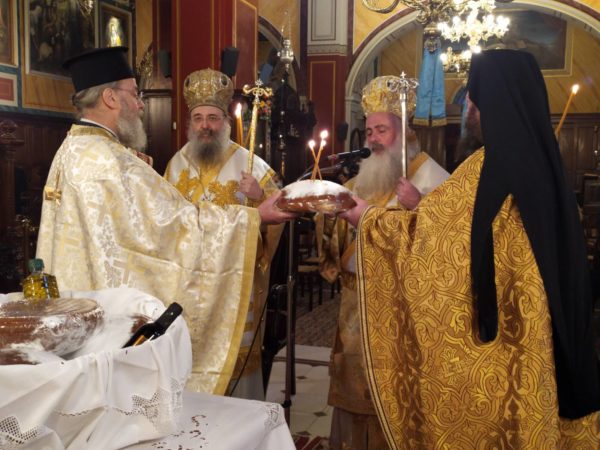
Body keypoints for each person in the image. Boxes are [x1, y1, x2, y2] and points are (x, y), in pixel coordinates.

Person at [341, 49, 600, 447]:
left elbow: (435, 243)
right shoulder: (544, 162)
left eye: (472, 99)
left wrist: (366, 218)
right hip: (538, 334)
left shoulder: (486, 168)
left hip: (502, 347)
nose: (467, 109)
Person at [36, 47, 295, 395]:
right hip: (105, 323)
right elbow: (173, 229)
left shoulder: (73, 150)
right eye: (135, 94)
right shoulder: (112, 162)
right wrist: (254, 217)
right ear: (111, 98)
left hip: (82, 314)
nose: (141, 105)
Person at [318, 75, 449, 450]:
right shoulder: (364, 178)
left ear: (405, 131)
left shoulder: (434, 178)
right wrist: (329, 217)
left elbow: (451, 248)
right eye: (369, 131)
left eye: (383, 130)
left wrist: (420, 207)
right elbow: (342, 243)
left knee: (396, 401)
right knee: (355, 397)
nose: (373, 139)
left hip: (402, 311)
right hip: (356, 309)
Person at [164, 68, 283, 400]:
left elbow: (278, 217)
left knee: (234, 364)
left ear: (225, 122)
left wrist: (259, 196)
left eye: (213, 118)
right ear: (190, 122)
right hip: (188, 286)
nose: (206, 125)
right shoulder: (175, 165)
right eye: (199, 118)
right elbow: (164, 223)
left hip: (234, 284)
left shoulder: (251, 165)